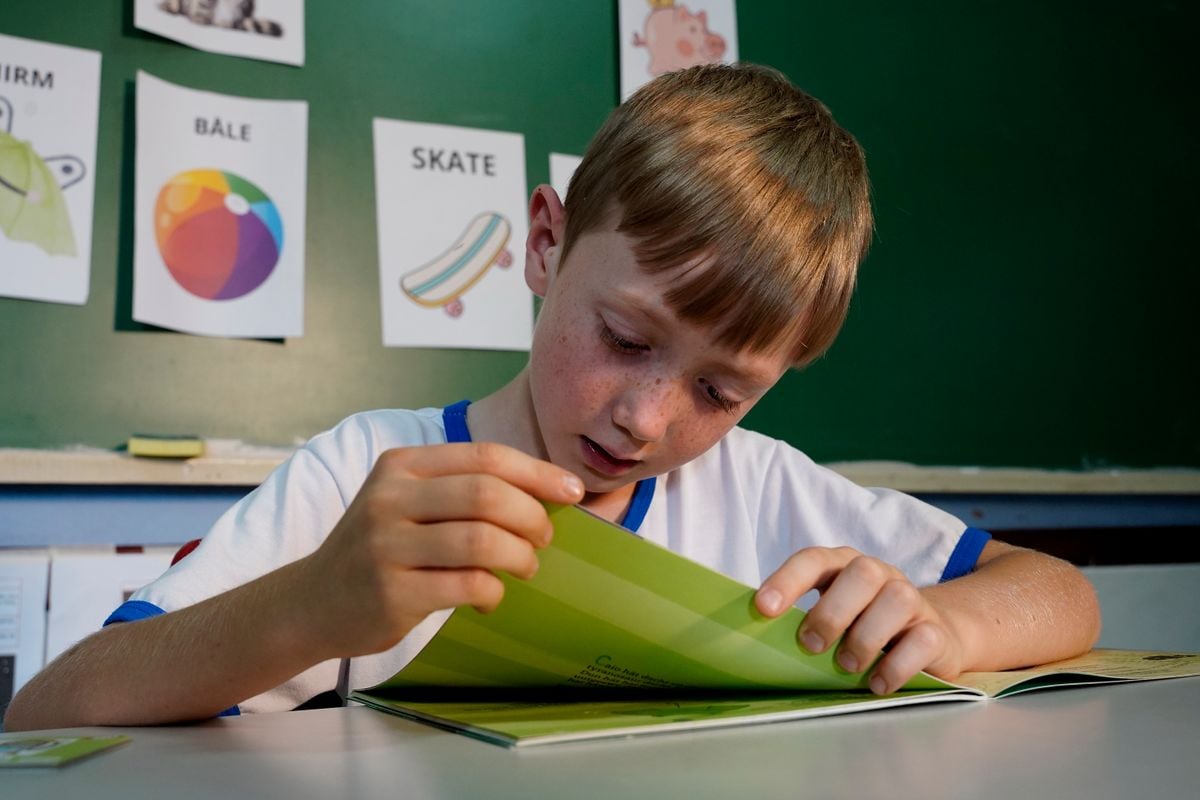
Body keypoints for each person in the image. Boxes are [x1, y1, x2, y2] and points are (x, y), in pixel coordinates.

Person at [4, 63, 1099, 731]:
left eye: (722, 389)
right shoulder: (363, 474)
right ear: (543, 243)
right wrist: (314, 604)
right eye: (624, 337)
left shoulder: (763, 492)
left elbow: (1060, 594)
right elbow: (49, 711)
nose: (647, 418)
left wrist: (944, 621)